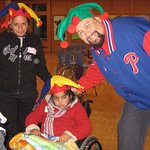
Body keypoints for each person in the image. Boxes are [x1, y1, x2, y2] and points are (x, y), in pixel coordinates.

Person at [57, 2, 150, 150]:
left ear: (99, 19)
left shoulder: (133, 31)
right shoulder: (97, 47)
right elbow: (98, 70)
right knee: (127, 132)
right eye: (80, 32)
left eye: (87, 25)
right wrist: (79, 87)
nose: (86, 34)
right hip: (137, 99)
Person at [0, 2, 52, 149]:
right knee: (9, 130)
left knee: (26, 130)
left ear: (28, 24)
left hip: (28, 94)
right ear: (9, 24)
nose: (20, 28)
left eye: (23, 24)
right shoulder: (2, 40)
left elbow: (40, 66)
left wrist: (50, 79)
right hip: (5, 95)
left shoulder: (34, 41)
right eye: (16, 24)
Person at [25, 75, 92, 147]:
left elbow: (86, 126)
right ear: (52, 97)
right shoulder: (46, 104)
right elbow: (32, 116)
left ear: (70, 96)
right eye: (56, 98)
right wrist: (33, 128)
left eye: (63, 97)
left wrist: (69, 134)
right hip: (45, 139)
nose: (60, 102)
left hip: (65, 142)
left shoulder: (76, 107)